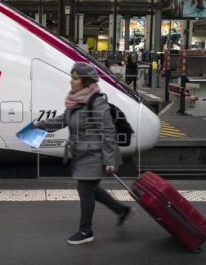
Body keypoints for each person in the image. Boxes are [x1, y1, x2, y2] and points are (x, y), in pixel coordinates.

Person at [33, 62, 135, 245]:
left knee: (85, 190)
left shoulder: (96, 102)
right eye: (72, 77)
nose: (71, 81)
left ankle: (85, 231)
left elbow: (107, 131)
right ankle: (121, 210)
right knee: (92, 189)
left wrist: (110, 159)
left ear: (86, 81)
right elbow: (63, 120)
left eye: (75, 78)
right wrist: (39, 125)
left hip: (94, 154)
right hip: (81, 154)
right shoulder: (76, 100)